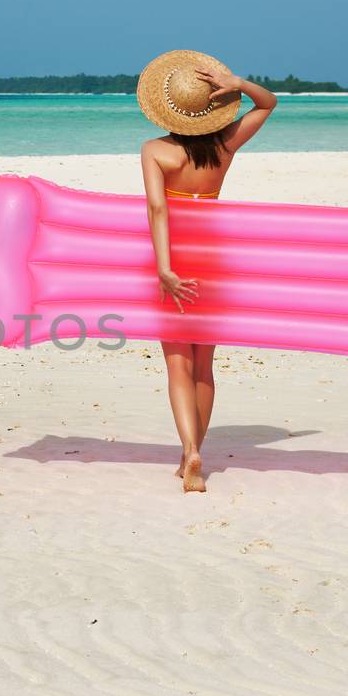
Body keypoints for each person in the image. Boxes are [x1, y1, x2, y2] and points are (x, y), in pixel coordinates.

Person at [136, 50, 278, 492]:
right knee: (204, 366)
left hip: (173, 258)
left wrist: (164, 269)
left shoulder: (155, 151)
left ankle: (190, 451)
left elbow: (158, 210)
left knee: (177, 364)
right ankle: (195, 450)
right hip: (214, 259)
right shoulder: (224, 146)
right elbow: (268, 103)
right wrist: (237, 81)